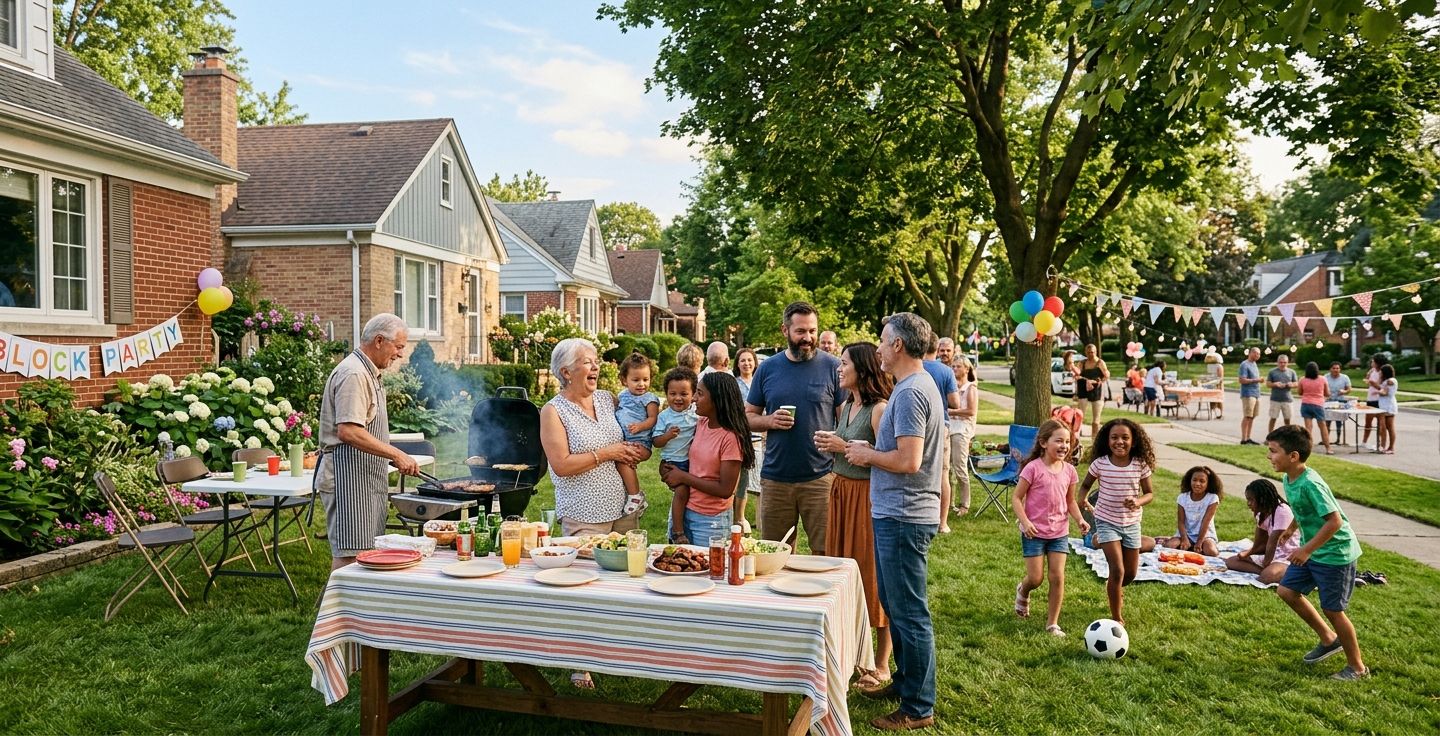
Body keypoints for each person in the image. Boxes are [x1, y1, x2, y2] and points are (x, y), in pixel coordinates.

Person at [843, 312, 943, 731]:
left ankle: (918, 707)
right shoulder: (918, 386)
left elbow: (909, 460)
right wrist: (872, 446)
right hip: (898, 514)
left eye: (883, 341)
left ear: (898, 345)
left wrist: (867, 455)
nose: (879, 348)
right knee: (898, 608)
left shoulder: (909, 393)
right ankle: (903, 682)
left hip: (903, 516)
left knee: (909, 613)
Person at [813, 342, 893, 691]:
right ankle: (852, 655)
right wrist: (834, 442)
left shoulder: (879, 410)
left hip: (866, 499)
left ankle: (882, 664)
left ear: (862, 368)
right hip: (841, 493)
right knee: (842, 574)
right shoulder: (846, 405)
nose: (838, 368)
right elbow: (849, 447)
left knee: (871, 578)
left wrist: (841, 447)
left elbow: (887, 458)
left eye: (844, 363)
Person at [315, 313, 420, 570]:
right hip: (346, 477)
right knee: (350, 556)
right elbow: (348, 431)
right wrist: (395, 454)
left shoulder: (369, 372)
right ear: (379, 341)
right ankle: (334, 610)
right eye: (398, 347)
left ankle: (356, 610)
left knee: (366, 553)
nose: (400, 355)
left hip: (363, 477)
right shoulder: (354, 374)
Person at [1265, 425, 1368, 680]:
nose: (1269, 456)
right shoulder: (1289, 478)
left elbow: (1335, 522)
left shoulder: (1311, 484)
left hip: (1334, 553)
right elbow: (1303, 510)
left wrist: (1306, 549)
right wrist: (1291, 529)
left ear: (1294, 456)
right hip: (1313, 550)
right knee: (1287, 590)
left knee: (1333, 609)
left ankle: (1357, 668)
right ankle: (1328, 639)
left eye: (1273, 451)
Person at [746, 301, 842, 555]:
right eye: (800, 331)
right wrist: (770, 421)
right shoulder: (767, 368)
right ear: (784, 330)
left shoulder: (833, 367)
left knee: (825, 553)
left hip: (821, 477)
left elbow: (846, 421)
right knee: (774, 554)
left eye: (812, 331)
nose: (808, 338)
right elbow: (747, 417)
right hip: (776, 477)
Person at [539, 338, 649, 538]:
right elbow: (561, 466)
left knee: (626, 567)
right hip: (584, 516)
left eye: (596, 361)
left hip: (624, 509)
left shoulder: (607, 399)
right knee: (587, 569)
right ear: (566, 372)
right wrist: (608, 453)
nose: (596, 367)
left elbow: (637, 420)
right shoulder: (553, 411)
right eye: (588, 362)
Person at [1012, 419, 1089, 637]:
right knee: (1036, 578)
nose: (1064, 445)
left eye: (1068, 441)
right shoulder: (1033, 468)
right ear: (1044, 443)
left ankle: (1052, 624)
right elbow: (1017, 498)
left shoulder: (1070, 471)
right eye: (1059, 441)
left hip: (1059, 533)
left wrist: (1079, 520)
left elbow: (1071, 501)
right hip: (1033, 532)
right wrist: (1025, 522)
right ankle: (1023, 590)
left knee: (1057, 577)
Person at [659, 372, 755, 546]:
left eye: (700, 393)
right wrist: (666, 466)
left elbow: (726, 489)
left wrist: (682, 477)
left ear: (717, 400)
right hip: (685, 510)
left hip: (711, 521)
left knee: (710, 570)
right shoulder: (701, 423)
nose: (694, 398)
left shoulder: (730, 438)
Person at [1078, 418, 1156, 625]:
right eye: (1114, 437)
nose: (1119, 442)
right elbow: (1085, 484)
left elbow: (1149, 493)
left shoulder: (1140, 464)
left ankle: (1114, 587)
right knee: (1118, 570)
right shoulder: (1100, 463)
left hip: (1131, 524)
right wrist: (1082, 499)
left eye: (1125, 438)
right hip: (1106, 521)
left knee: (1129, 574)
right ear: (1107, 440)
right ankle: (1116, 618)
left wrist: (1138, 501)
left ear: (1134, 440)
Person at [652, 368, 700, 543]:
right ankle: (678, 532)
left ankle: (686, 527)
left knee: (692, 495)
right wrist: (667, 436)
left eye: (684, 393)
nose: (678, 398)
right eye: (672, 393)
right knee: (682, 491)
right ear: (666, 394)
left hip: (690, 463)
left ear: (693, 394)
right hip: (672, 463)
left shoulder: (696, 414)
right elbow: (656, 441)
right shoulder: (664, 417)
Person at [1224, 478, 1299, 585]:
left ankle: (1273, 573)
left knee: (1267, 577)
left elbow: (1273, 542)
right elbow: (1259, 544)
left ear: (1262, 499)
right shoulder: (1261, 514)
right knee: (1231, 561)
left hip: (1286, 556)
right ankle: (1266, 572)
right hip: (1271, 555)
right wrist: (1247, 554)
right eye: (1247, 500)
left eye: (1251, 500)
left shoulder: (1282, 511)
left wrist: (1265, 563)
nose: (1248, 504)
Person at [922, 335, 961, 533]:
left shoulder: (912, 367)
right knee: (943, 474)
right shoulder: (945, 371)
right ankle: (942, 522)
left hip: (916, 424)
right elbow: (955, 403)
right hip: (940, 425)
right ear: (937, 348)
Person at [614, 352, 659, 515]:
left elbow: (653, 418)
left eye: (645, 379)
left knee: (622, 462)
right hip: (625, 441)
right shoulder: (622, 396)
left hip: (641, 443)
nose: (641, 384)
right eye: (636, 380)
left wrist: (640, 426)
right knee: (620, 462)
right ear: (624, 380)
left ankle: (635, 496)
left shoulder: (649, 399)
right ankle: (629, 494)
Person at [1152, 466, 1222, 557]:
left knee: (1212, 552)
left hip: (1205, 535)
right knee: (1169, 546)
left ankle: (1194, 546)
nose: (1197, 483)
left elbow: (1206, 522)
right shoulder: (1182, 497)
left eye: (1202, 481)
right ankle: (1174, 542)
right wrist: (1184, 539)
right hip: (1185, 534)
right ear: (1190, 481)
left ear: (1208, 484)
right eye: (1194, 480)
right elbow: (1181, 521)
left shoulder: (1212, 498)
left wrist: (1199, 542)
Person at [733, 347, 761, 527]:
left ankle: (754, 519)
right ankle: (738, 516)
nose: (746, 363)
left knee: (758, 477)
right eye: (742, 360)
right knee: (741, 476)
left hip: (759, 435)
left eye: (749, 360)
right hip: (740, 434)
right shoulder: (734, 383)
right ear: (737, 364)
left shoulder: (759, 382)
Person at [949, 356, 979, 518]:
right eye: (953, 366)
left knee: (960, 468)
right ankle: (949, 502)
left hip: (962, 430)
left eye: (958, 366)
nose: (954, 369)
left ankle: (965, 504)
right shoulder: (952, 387)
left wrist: (951, 411)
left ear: (966, 369)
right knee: (947, 469)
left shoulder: (970, 388)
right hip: (949, 429)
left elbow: (971, 411)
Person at [1075, 344, 1110, 438]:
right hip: (1083, 389)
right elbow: (1076, 375)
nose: (1091, 354)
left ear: (1096, 352)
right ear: (1086, 352)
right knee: (1080, 414)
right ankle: (1077, 435)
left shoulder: (1100, 362)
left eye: (1093, 352)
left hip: (1097, 390)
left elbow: (1106, 375)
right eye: (1089, 352)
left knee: (1096, 417)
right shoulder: (1082, 363)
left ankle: (1094, 438)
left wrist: (1100, 381)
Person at [1297, 361, 1333, 455]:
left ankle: (1309, 447)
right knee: (1323, 427)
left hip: (1306, 404)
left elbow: (1300, 392)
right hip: (1318, 405)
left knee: (1308, 428)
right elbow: (1327, 393)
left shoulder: (1302, 379)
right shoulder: (1322, 379)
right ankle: (1328, 448)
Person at [1360, 355, 1388, 447]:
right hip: (1370, 399)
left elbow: (1382, 387)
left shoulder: (1382, 373)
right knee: (1368, 421)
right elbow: (1368, 380)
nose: (1371, 363)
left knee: (1381, 423)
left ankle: (1381, 444)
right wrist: (1368, 377)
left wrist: (1372, 383)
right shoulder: (1372, 371)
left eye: (1373, 362)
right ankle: (1364, 442)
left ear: (1377, 363)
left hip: (1378, 400)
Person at [1266, 353, 1298, 433]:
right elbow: (1268, 384)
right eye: (1281, 362)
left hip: (1287, 399)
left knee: (1287, 419)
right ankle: (1270, 436)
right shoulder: (1272, 372)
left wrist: (1291, 384)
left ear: (1287, 363)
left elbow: (1296, 384)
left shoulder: (1292, 372)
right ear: (1277, 362)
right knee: (1273, 418)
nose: (1282, 364)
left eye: (1284, 362)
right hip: (1275, 399)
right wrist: (1275, 384)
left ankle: (1287, 436)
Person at [1238, 347, 1263, 445]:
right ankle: (1243, 439)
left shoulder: (1254, 364)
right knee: (1247, 416)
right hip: (1248, 394)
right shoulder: (1244, 365)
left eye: (1259, 354)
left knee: (1252, 416)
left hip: (1256, 393)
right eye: (1256, 353)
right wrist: (1257, 380)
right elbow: (1242, 380)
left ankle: (1249, 437)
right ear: (1251, 353)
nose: (1258, 356)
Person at [1372, 364, 1398, 454]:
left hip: (1388, 406)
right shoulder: (1386, 381)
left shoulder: (1390, 381)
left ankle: (1389, 447)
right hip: (1384, 406)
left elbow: (1385, 392)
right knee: (1384, 427)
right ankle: (1383, 446)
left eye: (1381, 372)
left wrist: (1377, 392)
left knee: (1387, 427)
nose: (1380, 374)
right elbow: (1381, 386)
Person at [1324, 361, 1352, 441]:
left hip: (1340, 401)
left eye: (1337, 368)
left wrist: (1345, 391)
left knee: (1339, 422)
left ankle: (1338, 439)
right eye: (1334, 368)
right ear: (1330, 369)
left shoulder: (1345, 377)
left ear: (1340, 369)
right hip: (1328, 401)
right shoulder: (1326, 377)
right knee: (1327, 421)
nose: (1336, 370)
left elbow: (1349, 389)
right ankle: (1326, 439)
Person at [1202, 350, 1224, 419]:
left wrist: (1217, 384)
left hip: (1217, 385)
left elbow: (1220, 377)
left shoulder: (1219, 366)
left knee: (1218, 399)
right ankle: (1212, 411)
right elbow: (1209, 374)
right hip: (1210, 384)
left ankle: (1220, 413)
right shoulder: (1209, 366)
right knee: (1211, 398)